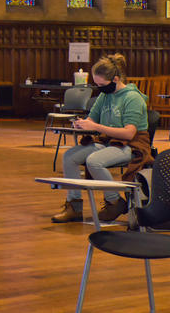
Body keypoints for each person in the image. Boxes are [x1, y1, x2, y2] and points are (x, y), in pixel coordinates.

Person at [52, 54, 150, 223]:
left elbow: (128, 133)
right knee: (69, 157)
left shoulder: (132, 97)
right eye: (96, 85)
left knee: (94, 161)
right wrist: (83, 123)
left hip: (132, 145)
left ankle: (114, 202)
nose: (99, 88)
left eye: (101, 85)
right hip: (109, 141)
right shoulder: (105, 95)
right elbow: (93, 118)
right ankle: (74, 206)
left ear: (116, 79)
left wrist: (95, 127)